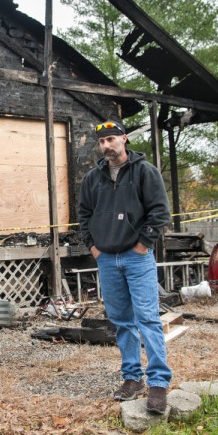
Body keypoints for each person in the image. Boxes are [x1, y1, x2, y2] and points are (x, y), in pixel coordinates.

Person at [77, 120, 172, 414]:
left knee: (148, 319)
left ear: (124, 139)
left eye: (111, 139)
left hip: (137, 257)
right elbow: (83, 215)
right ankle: (132, 378)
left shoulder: (145, 172)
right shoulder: (92, 179)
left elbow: (160, 213)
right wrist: (94, 248)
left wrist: (142, 245)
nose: (107, 145)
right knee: (121, 321)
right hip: (106, 259)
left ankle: (158, 382)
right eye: (102, 141)